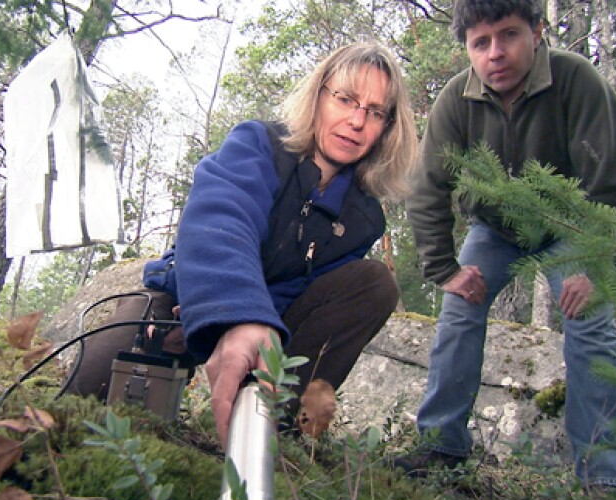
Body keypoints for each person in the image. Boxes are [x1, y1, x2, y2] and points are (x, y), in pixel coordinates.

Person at [69, 41, 418, 445]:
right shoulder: (258, 145)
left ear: (387, 129)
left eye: (375, 112)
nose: (357, 121)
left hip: (271, 333)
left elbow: (310, 294)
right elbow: (221, 219)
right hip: (182, 299)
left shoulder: (363, 218)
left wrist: (256, 323)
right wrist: (221, 315)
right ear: (319, 97)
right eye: (345, 99)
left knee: (374, 284)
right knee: (82, 410)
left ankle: (268, 428)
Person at [397, 0, 616, 491]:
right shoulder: (455, 101)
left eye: (509, 35)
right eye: (480, 43)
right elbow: (427, 188)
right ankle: (440, 447)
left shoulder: (577, 81)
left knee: (588, 317)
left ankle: (608, 477)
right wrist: (445, 268)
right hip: (494, 229)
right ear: (468, 48)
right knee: (458, 309)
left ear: (537, 31)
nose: (496, 54)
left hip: (573, 225)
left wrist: (595, 264)